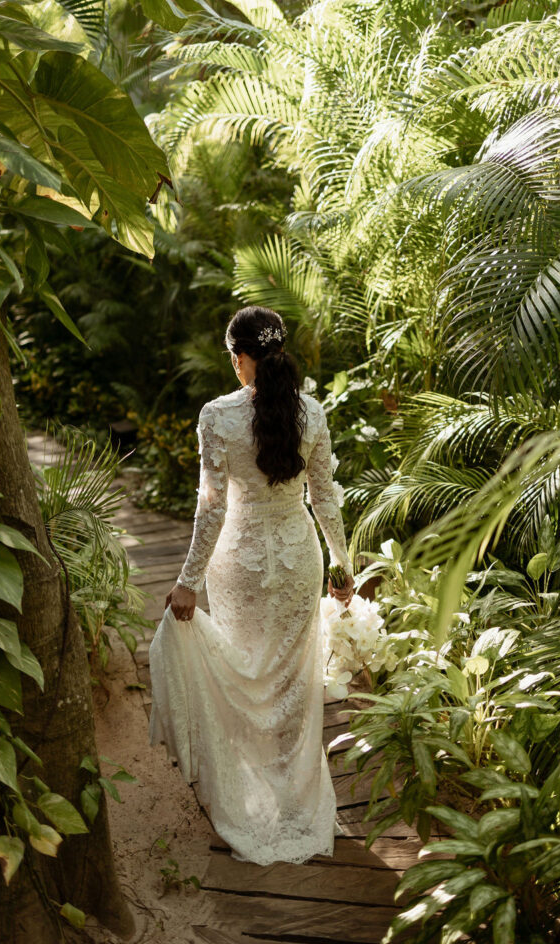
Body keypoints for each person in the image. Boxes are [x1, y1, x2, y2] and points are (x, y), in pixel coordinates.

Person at [148, 305, 354, 865]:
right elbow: (325, 498)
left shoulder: (217, 416)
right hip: (296, 561)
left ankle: (254, 803)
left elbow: (211, 508)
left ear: (241, 355)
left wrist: (187, 581)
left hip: (238, 566)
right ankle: (296, 804)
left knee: (244, 679)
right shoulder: (312, 412)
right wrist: (343, 564)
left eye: (232, 355)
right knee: (293, 684)